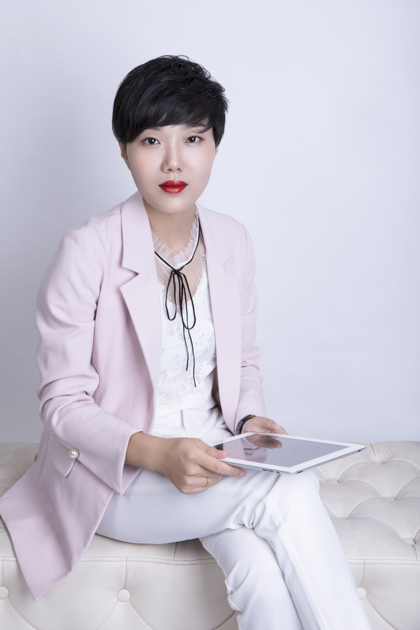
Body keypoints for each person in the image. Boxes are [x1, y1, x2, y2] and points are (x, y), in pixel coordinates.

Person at [0, 55, 371, 629]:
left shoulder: (232, 239)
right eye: (151, 140)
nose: (174, 161)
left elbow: (243, 363)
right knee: (290, 492)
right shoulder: (87, 250)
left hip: (215, 452)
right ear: (124, 149)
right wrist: (159, 453)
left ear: (215, 145)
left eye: (193, 138)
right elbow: (63, 402)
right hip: (119, 475)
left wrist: (249, 421)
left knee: (261, 573)